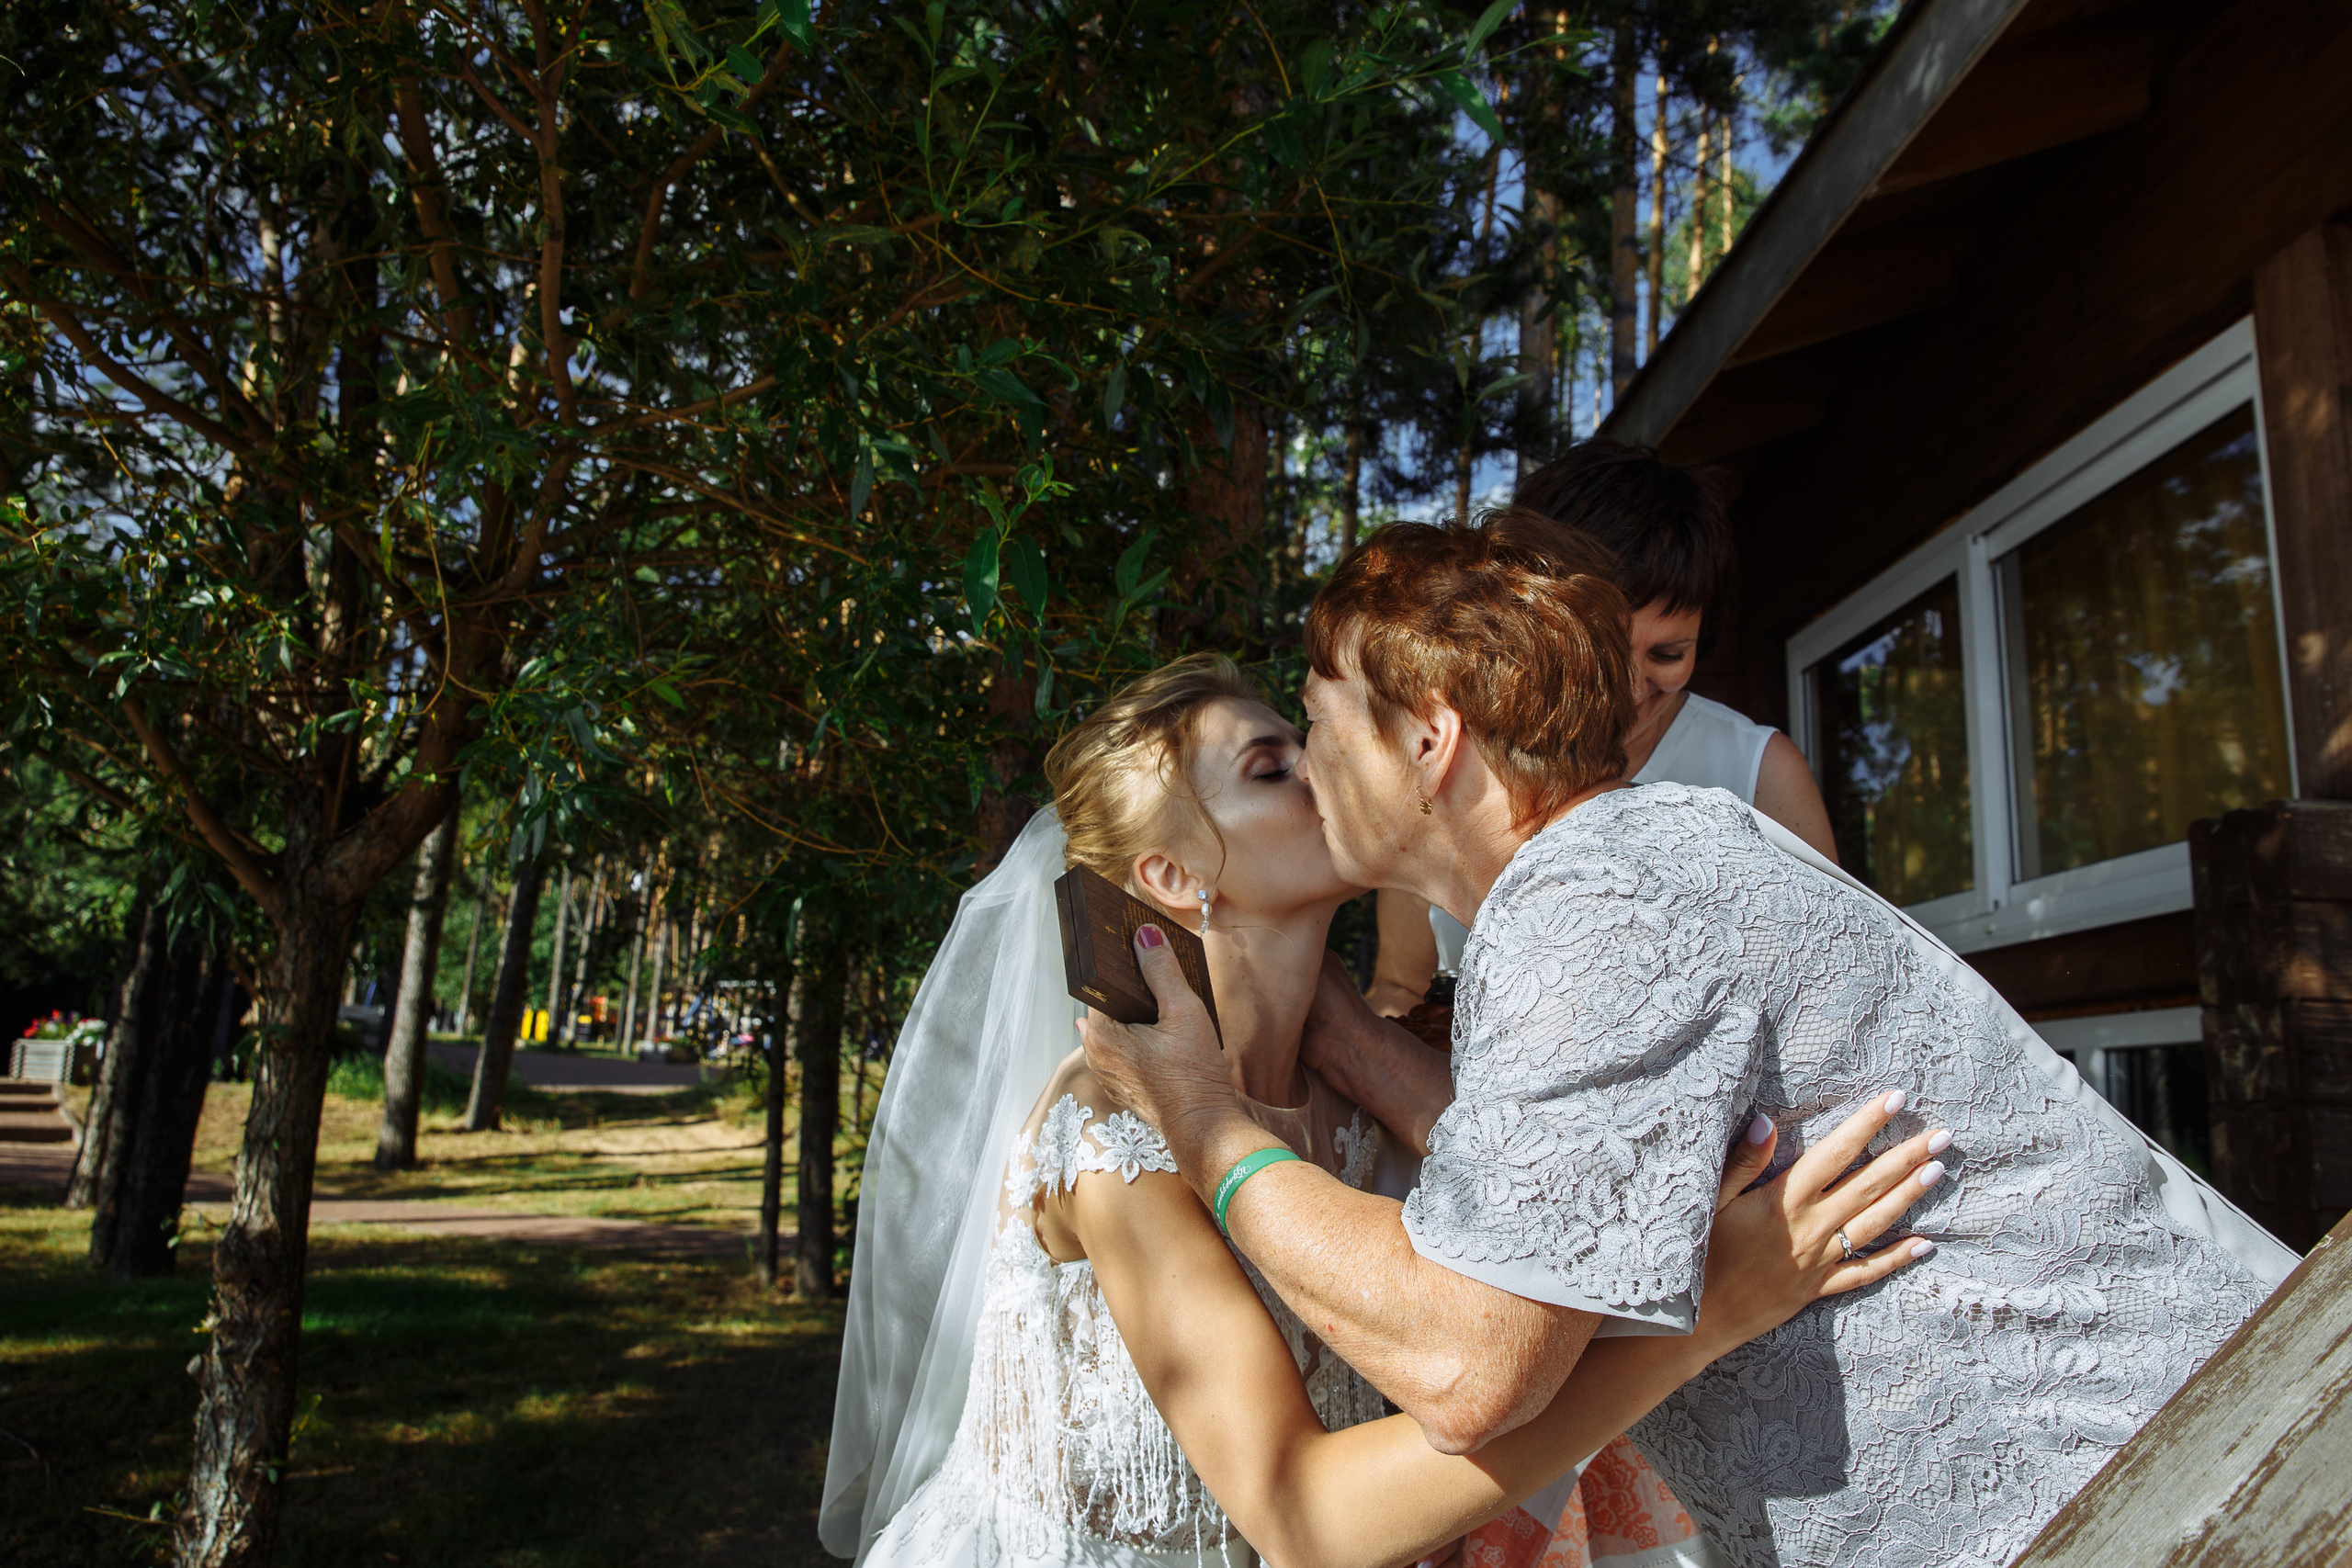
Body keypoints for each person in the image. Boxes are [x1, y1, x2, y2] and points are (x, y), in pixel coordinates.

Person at [1080, 518, 2299, 1568]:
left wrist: (1204, 1117)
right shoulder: (1622, 864)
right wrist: (1335, 1027)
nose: (1310, 747)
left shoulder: (1592, 904)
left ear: (1429, 737)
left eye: (1320, 711)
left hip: (2153, 1494)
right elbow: (1543, 1192)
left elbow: (1467, 1356)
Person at [822, 655, 1946, 1568]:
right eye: (1271, 767)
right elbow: (1306, 1518)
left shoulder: (1356, 1111)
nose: (1319, 768)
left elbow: (1528, 1306)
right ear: (1171, 879)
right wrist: (1708, 1317)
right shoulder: (1114, 1136)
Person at [1369, 439, 1832, 1018]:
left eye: (1668, 654)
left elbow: (1825, 997)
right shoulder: (1446, 758)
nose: (1629, 689)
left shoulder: (1761, 772)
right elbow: (1399, 990)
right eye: (1602, 652)